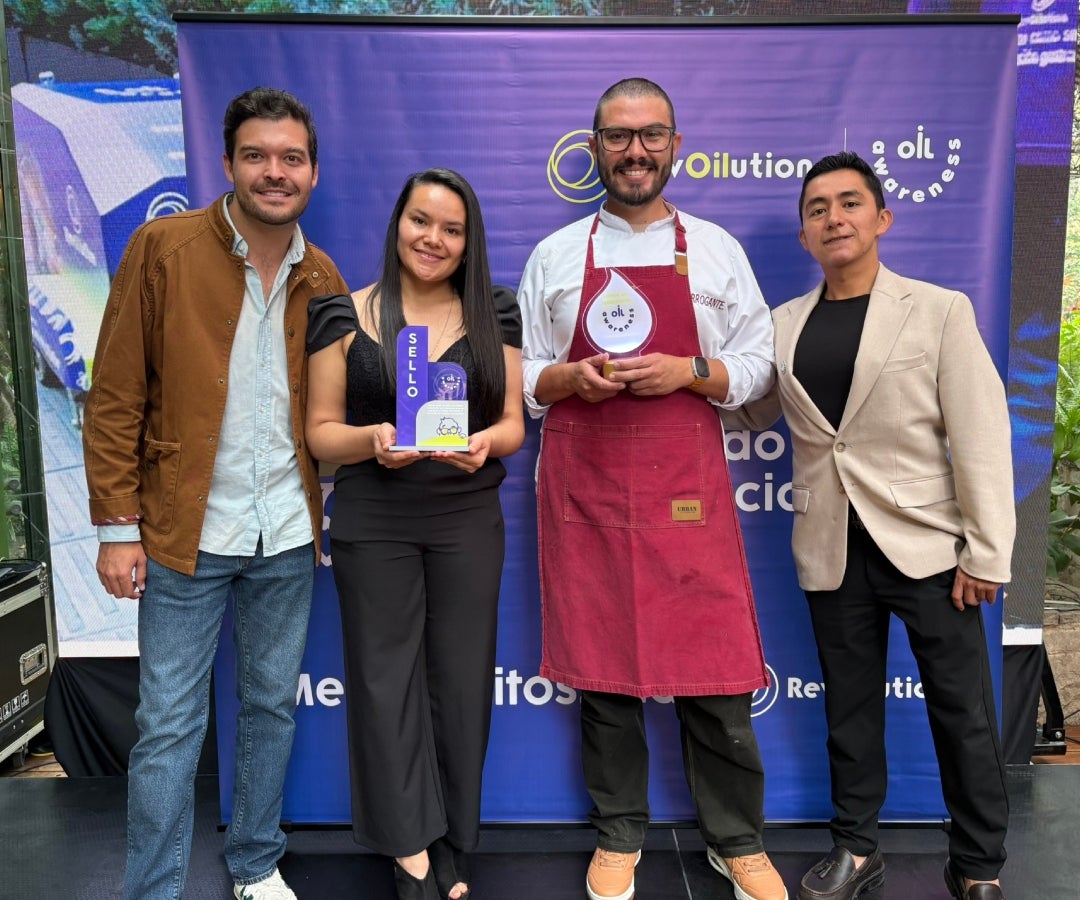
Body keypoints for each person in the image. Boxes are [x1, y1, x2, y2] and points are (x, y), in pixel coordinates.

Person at [518, 78, 786, 900]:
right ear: (594, 146)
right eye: (619, 136)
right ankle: (619, 835)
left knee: (716, 671)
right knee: (602, 672)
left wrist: (688, 370)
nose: (636, 151)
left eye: (652, 136)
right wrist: (570, 378)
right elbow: (522, 379)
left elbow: (759, 361)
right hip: (587, 490)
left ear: (675, 145)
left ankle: (736, 841)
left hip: (688, 491)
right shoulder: (557, 256)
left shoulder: (715, 250)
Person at [82, 87, 348, 900]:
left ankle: (255, 862)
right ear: (229, 163)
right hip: (180, 532)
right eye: (258, 156)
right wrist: (116, 527)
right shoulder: (162, 248)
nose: (275, 172)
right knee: (167, 726)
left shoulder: (323, 274)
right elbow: (117, 393)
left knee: (269, 708)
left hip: (288, 533)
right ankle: (154, 888)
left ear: (313, 170)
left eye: (292, 159)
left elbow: (330, 409)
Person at [768, 151, 1012, 900]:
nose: (833, 218)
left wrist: (988, 552)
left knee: (963, 713)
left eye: (848, 203)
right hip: (830, 547)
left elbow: (978, 433)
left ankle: (978, 865)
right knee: (849, 712)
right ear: (804, 236)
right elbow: (740, 402)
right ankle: (857, 850)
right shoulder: (780, 327)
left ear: (882, 218)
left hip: (933, 550)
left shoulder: (939, 309)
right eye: (817, 209)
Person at [305, 168, 525, 900]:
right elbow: (320, 437)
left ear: (469, 242)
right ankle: (409, 848)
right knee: (382, 681)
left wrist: (486, 444)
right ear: (397, 223)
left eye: (452, 228)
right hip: (375, 516)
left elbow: (514, 425)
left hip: (465, 513)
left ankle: (453, 837)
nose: (433, 238)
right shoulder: (341, 314)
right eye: (420, 221)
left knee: (461, 684)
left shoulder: (497, 311)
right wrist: (370, 440)